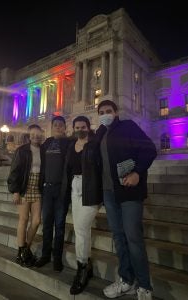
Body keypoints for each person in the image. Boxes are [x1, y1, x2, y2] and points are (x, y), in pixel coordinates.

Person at [95, 100, 157, 300]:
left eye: (108, 111)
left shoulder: (128, 126)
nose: (105, 114)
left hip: (129, 191)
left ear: (116, 112)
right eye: (102, 112)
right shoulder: (100, 133)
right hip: (109, 193)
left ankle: (145, 286)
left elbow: (149, 150)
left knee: (133, 238)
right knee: (119, 238)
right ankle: (126, 280)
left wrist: (138, 172)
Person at [61, 116, 103, 295]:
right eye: (77, 127)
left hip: (91, 188)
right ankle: (87, 265)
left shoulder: (95, 145)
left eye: (83, 126)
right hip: (75, 189)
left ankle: (82, 267)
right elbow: (68, 170)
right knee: (83, 230)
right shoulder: (71, 147)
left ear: (88, 127)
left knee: (81, 228)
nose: (80, 129)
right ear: (73, 128)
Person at [35, 115, 71, 272]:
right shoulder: (46, 144)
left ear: (64, 127)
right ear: (51, 127)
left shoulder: (69, 143)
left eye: (60, 125)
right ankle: (45, 255)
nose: (57, 127)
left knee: (60, 225)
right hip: (47, 189)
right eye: (55, 124)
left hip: (61, 189)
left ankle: (57, 258)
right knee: (47, 224)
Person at [7, 124, 43, 267]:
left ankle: (26, 248)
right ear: (29, 135)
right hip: (23, 187)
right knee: (24, 219)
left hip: (37, 188)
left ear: (41, 134)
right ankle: (21, 251)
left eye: (38, 133)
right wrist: (15, 191)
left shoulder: (43, 150)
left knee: (36, 221)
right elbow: (14, 171)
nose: (36, 136)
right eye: (33, 134)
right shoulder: (22, 150)